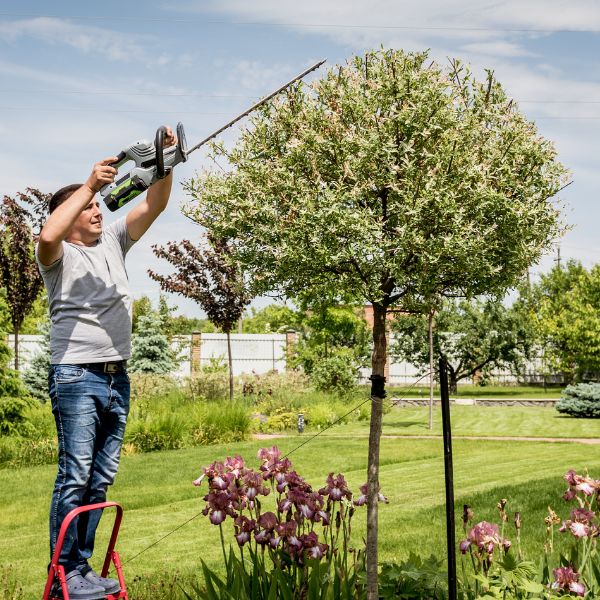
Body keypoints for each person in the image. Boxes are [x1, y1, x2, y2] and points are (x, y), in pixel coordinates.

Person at [36, 127, 177, 600]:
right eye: (87, 208)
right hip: (77, 376)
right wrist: (89, 185)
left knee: (99, 479)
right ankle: (64, 572)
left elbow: (153, 204)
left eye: (97, 207)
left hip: (118, 378)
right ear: (71, 212)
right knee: (74, 473)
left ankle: (82, 569)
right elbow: (48, 232)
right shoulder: (57, 256)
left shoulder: (114, 241)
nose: (97, 212)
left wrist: (165, 162)